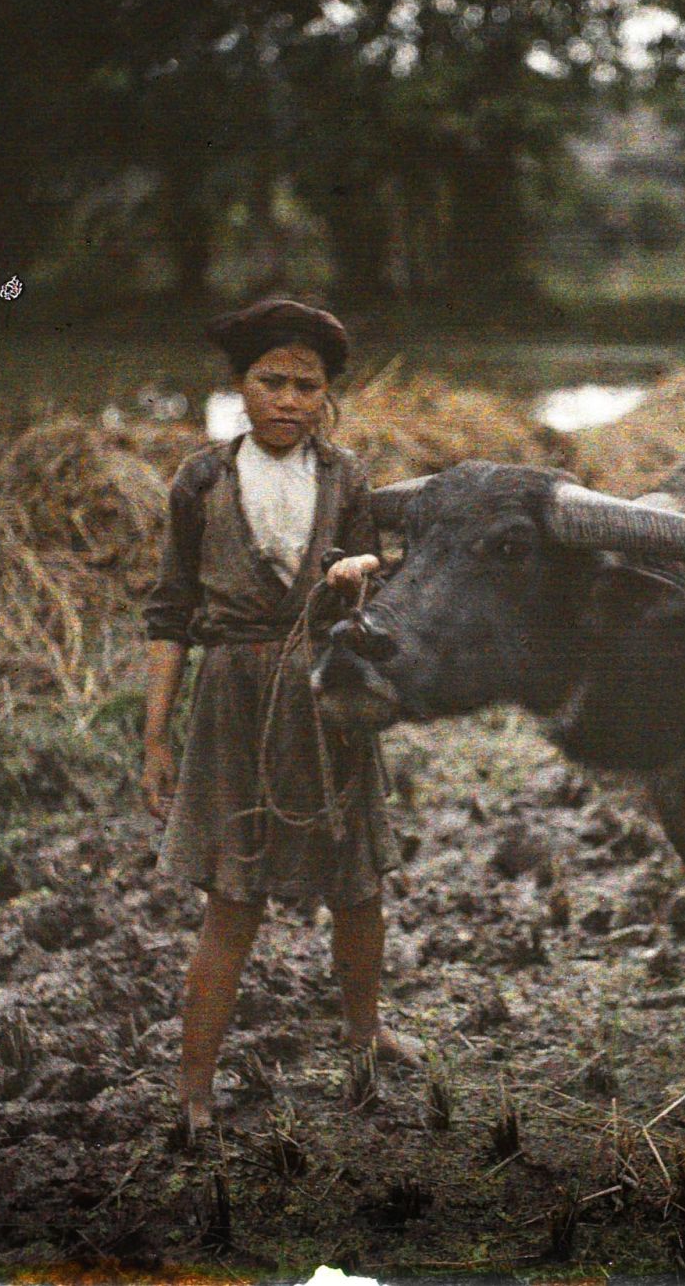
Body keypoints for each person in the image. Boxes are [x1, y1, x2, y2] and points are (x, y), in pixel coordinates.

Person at [141, 295, 414, 1142]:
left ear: (328, 397)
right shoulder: (202, 481)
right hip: (231, 702)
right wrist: (155, 736)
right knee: (234, 899)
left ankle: (365, 1039)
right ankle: (194, 1085)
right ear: (239, 386)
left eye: (308, 387)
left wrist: (363, 573)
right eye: (272, 382)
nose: (289, 402)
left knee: (358, 886)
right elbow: (170, 611)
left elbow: (380, 589)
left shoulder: (348, 479)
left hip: (327, 697)